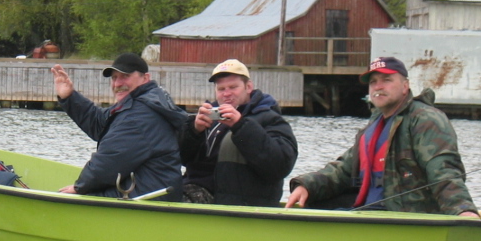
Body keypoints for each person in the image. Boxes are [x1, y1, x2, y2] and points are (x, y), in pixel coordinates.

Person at [285, 56, 480, 217]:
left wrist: (462, 210)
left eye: (386, 80)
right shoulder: (374, 126)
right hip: (367, 214)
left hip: (405, 221)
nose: (378, 87)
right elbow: (342, 171)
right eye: (373, 82)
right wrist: (307, 186)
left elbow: (443, 170)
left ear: (405, 86)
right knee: (311, 209)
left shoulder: (424, 119)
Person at [51, 53, 188, 200]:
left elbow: (109, 162)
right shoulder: (140, 103)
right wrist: (69, 97)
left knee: (83, 195)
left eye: (124, 76)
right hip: (148, 189)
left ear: (145, 78)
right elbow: (100, 123)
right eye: (114, 78)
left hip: (149, 198)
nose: (117, 84)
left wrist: (80, 187)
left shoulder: (139, 115)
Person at [180, 59, 298, 206]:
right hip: (192, 191)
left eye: (233, 87)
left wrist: (240, 126)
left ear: (248, 87)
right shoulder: (209, 116)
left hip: (239, 204)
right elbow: (181, 158)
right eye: (221, 89)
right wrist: (194, 130)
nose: (227, 94)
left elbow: (280, 166)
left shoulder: (269, 119)